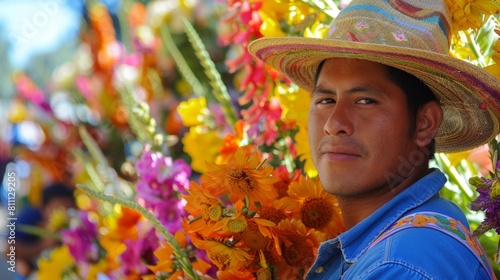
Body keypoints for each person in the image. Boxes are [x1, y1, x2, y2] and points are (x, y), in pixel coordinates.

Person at [249, 0, 499, 279]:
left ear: (425, 123)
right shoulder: (397, 243)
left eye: (366, 101)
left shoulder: (400, 264)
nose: (334, 124)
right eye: (326, 99)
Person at [10, 182, 76, 279]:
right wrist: (43, 245)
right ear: (43, 209)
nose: (64, 215)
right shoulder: (29, 217)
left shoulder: (76, 223)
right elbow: (8, 250)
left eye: (68, 209)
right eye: (57, 209)